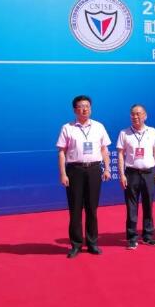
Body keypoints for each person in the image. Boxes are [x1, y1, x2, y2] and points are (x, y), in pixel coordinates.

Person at [56, 95, 111, 258]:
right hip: (75, 171)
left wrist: (107, 168)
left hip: (94, 169)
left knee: (92, 209)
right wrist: (63, 173)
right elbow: (61, 152)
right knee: (75, 209)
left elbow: (104, 149)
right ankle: (76, 244)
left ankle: (92, 243)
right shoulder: (68, 128)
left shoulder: (99, 126)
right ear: (75, 110)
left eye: (87, 106)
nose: (84, 109)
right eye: (81, 106)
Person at [116, 104, 155, 250]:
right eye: (133, 114)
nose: (135, 116)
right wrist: (122, 174)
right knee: (131, 207)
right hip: (132, 173)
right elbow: (120, 155)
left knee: (148, 205)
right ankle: (132, 238)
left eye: (138, 113)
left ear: (145, 116)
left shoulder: (152, 131)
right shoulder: (124, 133)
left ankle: (148, 236)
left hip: (149, 173)